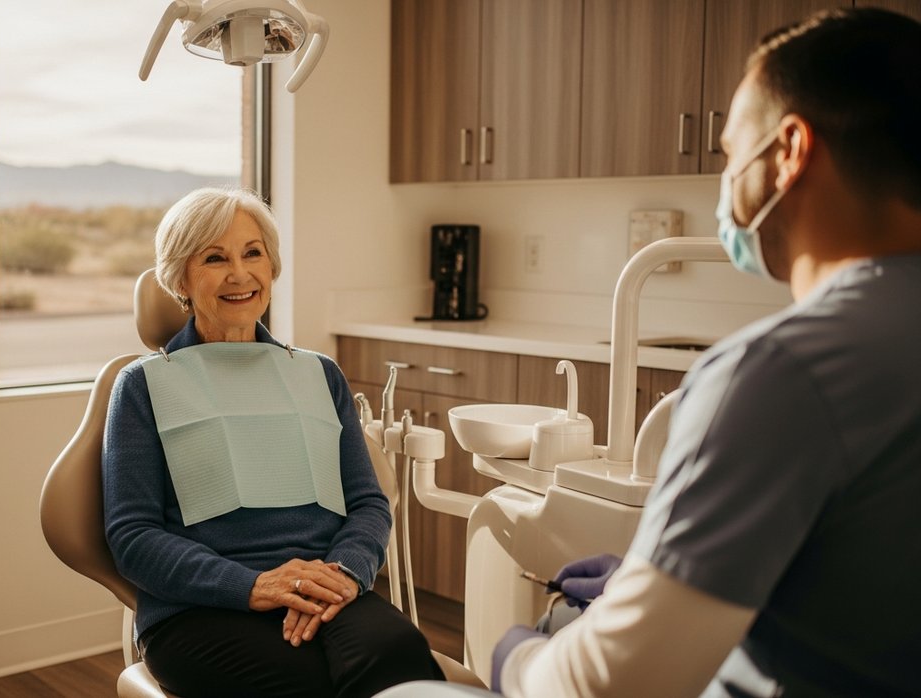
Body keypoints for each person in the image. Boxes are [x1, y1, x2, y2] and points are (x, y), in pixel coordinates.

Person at [378, 7, 921, 698]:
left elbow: (606, 684)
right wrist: (657, 582)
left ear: (789, 152)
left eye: (729, 153)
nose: (727, 180)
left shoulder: (783, 373)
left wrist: (511, 653)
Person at [103, 187, 444, 697]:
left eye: (253, 253)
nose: (239, 274)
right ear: (179, 278)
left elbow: (368, 501)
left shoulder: (317, 374)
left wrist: (347, 573)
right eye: (215, 258)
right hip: (200, 608)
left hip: (328, 587)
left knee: (402, 660)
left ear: (272, 266)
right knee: (302, 684)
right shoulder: (143, 386)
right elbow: (133, 537)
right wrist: (253, 586)